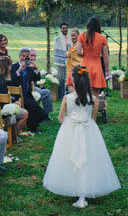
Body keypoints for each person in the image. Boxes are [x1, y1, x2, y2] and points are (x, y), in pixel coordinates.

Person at [42, 66, 120, 208]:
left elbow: (60, 118)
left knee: (70, 156)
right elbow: (93, 118)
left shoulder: (67, 98)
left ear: (73, 80)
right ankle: (85, 189)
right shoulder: (94, 99)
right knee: (88, 158)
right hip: (88, 129)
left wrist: (70, 122)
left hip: (70, 130)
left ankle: (74, 186)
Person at [10, 49, 48, 132]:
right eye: (23, 56)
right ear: (19, 56)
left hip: (27, 95)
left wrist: (35, 68)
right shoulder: (14, 67)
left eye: (27, 57)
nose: (24, 58)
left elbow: (37, 78)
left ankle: (31, 124)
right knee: (33, 105)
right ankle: (32, 128)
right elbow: (11, 80)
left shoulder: (29, 68)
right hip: (17, 97)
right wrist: (19, 70)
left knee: (43, 114)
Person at [0, 56, 28, 134]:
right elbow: (3, 98)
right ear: (7, 67)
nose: (11, 68)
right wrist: (14, 102)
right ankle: (13, 136)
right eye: (10, 66)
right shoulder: (1, 81)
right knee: (25, 114)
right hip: (0, 109)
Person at [76, 17, 108, 97]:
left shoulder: (82, 35)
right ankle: (95, 109)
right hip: (96, 66)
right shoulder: (102, 38)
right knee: (96, 95)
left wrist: (85, 55)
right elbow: (105, 56)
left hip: (84, 66)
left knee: (83, 93)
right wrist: (107, 70)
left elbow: (78, 51)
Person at [28, 49, 53, 114]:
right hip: (28, 90)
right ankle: (46, 114)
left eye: (34, 56)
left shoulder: (33, 66)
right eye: (31, 55)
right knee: (47, 92)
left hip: (33, 87)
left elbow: (37, 79)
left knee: (43, 91)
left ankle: (41, 112)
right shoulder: (25, 66)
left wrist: (35, 69)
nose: (33, 58)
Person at [53, 23, 69, 97]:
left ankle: (68, 92)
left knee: (69, 77)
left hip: (69, 59)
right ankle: (61, 94)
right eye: (63, 28)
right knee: (61, 78)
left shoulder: (70, 37)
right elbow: (56, 49)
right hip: (61, 60)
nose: (64, 29)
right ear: (61, 29)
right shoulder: (58, 38)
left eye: (66, 28)